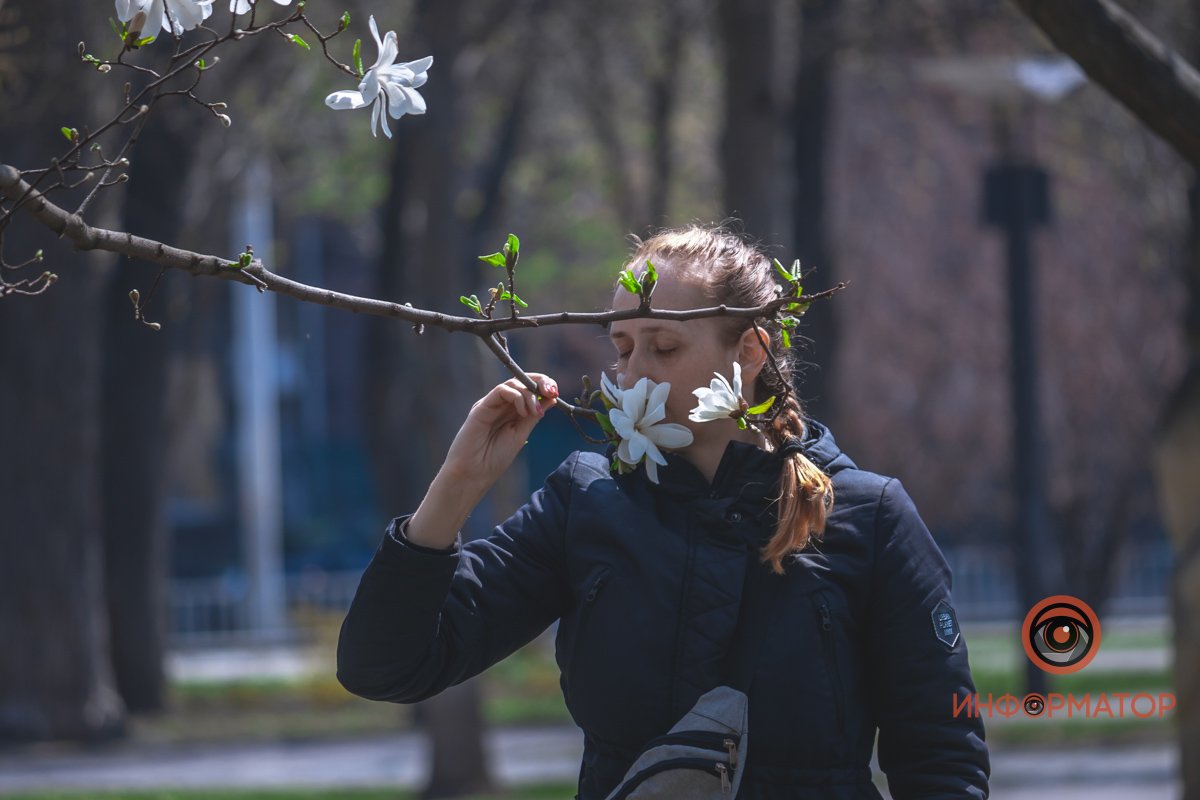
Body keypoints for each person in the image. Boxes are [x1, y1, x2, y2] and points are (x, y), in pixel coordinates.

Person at [337, 224, 991, 799]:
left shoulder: (869, 517)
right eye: (622, 348)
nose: (634, 373)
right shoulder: (586, 502)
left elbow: (942, 758)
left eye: (664, 347)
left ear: (751, 351)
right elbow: (386, 666)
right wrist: (458, 484)